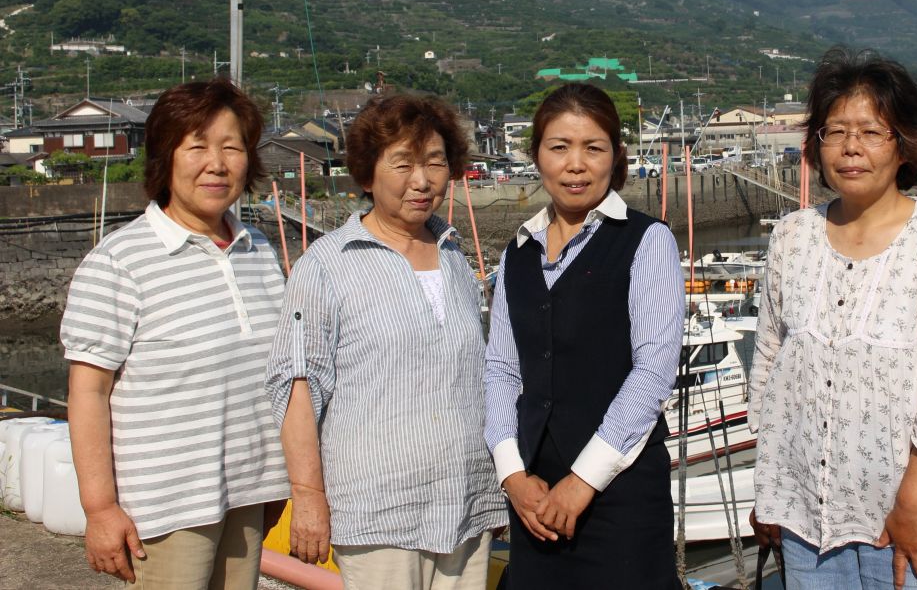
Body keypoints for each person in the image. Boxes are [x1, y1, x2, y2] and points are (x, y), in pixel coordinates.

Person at [748, 48, 917, 590]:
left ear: (904, 144)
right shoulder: (791, 237)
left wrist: (911, 508)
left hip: (914, 525)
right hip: (806, 522)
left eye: (871, 132)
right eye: (835, 132)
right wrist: (771, 493)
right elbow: (769, 369)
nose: (850, 147)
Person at [265, 94, 504, 590]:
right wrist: (307, 495)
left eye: (435, 162)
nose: (422, 180)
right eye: (403, 163)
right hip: (378, 509)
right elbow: (298, 388)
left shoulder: (454, 255)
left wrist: (494, 489)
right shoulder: (326, 265)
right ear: (367, 173)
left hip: (466, 502)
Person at [61, 78, 290, 588]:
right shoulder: (119, 262)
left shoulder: (258, 249)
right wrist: (100, 509)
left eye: (232, 147)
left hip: (249, 493)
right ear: (165, 158)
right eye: (197, 147)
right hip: (164, 508)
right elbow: (88, 392)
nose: (217, 164)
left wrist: (281, 478)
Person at [484, 83, 685, 590]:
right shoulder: (517, 253)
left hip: (621, 494)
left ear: (615, 156)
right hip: (534, 495)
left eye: (593, 148)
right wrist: (513, 476)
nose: (576, 164)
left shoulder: (647, 240)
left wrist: (583, 481)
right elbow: (502, 368)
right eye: (559, 147)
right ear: (537, 155)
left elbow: (653, 370)